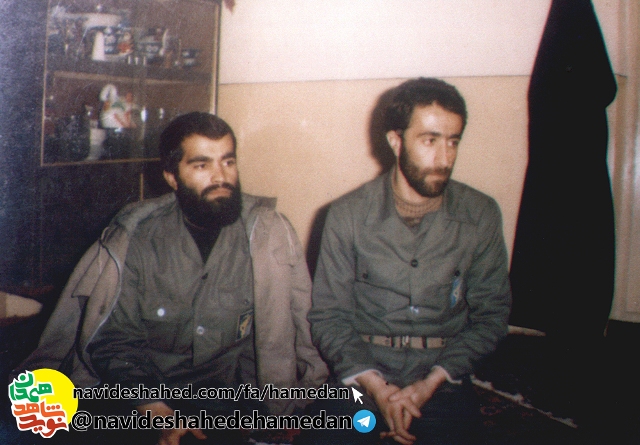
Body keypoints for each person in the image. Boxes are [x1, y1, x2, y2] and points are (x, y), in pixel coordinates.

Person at [15, 112, 328, 444]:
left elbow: (298, 332)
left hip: (225, 403)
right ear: (172, 177)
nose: (221, 177)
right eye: (202, 165)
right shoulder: (136, 239)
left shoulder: (266, 237)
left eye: (228, 162)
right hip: (139, 398)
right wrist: (157, 411)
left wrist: (291, 410)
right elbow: (114, 343)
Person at [305, 78, 511, 445]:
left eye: (453, 141)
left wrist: (432, 382)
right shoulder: (346, 215)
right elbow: (328, 317)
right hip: (361, 380)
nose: (445, 159)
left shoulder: (480, 215)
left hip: (442, 379)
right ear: (395, 140)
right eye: (430, 141)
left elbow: (492, 316)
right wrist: (377, 388)